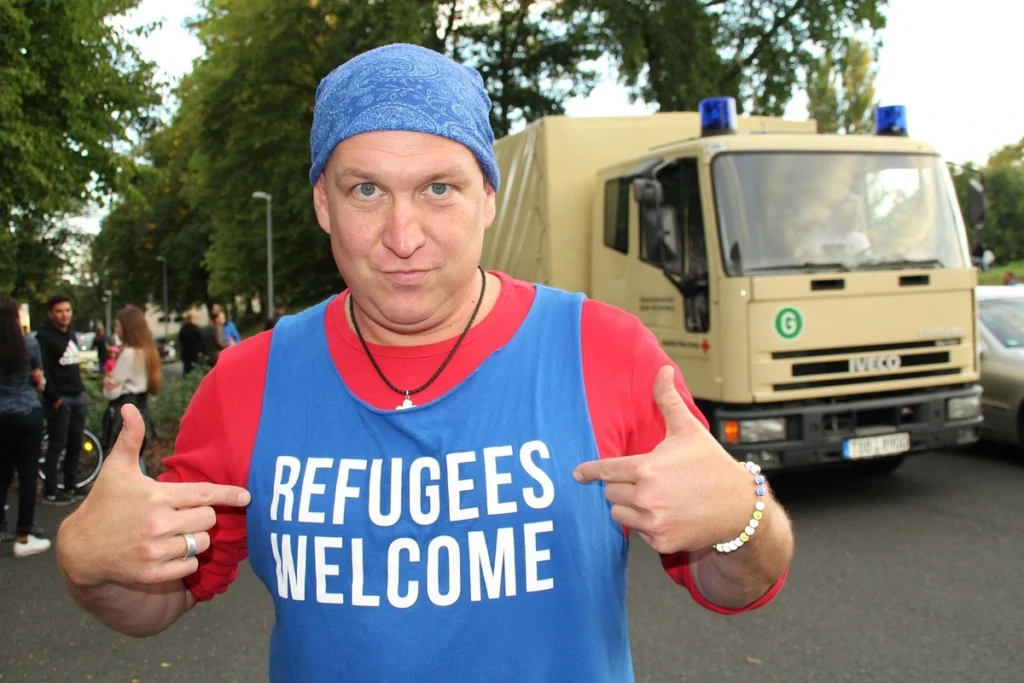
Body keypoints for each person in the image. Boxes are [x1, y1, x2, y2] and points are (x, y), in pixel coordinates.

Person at [55, 44, 793, 682]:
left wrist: (742, 516)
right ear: (322, 203)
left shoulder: (605, 350)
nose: (402, 234)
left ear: (488, 199)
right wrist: (89, 564)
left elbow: (734, 584)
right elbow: (157, 600)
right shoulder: (251, 381)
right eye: (367, 189)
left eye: (438, 187)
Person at [0, 295, 50, 556]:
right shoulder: (29, 345)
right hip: (27, 412)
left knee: (2, 474)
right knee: (28, 475)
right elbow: (40, 383)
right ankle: (24, 535)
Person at [37, 294, 88, 505]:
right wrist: (53, 397)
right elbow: (44, 370)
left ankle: (70, 485)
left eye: (67, 310)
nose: (64, 314)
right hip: (60, 400)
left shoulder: (72, 335)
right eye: (59, 311)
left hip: (78, 396)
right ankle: (50, 489)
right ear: (51, 314)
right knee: (57, 444)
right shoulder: (44, 337)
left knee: (76, 443)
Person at [101, 305, 163, 473]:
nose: (115, 329)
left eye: (117, 325)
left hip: (126, 409)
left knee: (126, 464)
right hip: (142, 408)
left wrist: (107, 384)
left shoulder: (129, 354)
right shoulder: (147, 351)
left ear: (127, 327)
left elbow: (112, 390)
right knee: (136, 458)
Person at [177, 311, 204, 376]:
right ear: (193, 319)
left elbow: (180, 339)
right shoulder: (196, 329)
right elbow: (202, 340)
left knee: (186, 371)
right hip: (195, 353)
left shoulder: (183, 328)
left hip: (186, 353)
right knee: (195, 371)